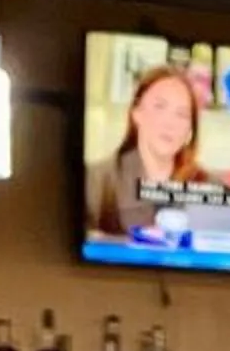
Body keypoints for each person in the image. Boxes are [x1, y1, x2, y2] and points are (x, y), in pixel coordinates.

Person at [85, 64, 205, 236]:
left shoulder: (210, 186)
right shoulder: (96, 181)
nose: (169, 123)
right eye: (160, 107)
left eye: (182, 114)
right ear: (137, 113)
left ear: (190, 131)